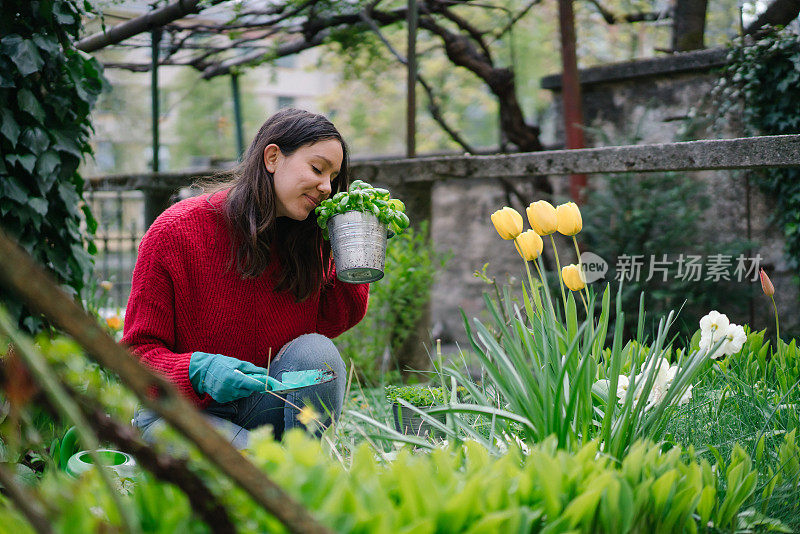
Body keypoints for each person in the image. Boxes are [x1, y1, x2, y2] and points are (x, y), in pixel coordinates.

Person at [124, 108, 369, 449]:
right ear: (272, 157)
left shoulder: (307, 241)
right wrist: (198, 369)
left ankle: (304, 462)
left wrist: (351, 252)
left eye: (333, 176)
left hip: (262, 405)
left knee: (318, 354)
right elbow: (135, 356)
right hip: (178, 412)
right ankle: (286, 476)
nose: (327, 187)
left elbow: (333, 323)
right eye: (317, 169)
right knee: (258, 468)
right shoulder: (176, 232)